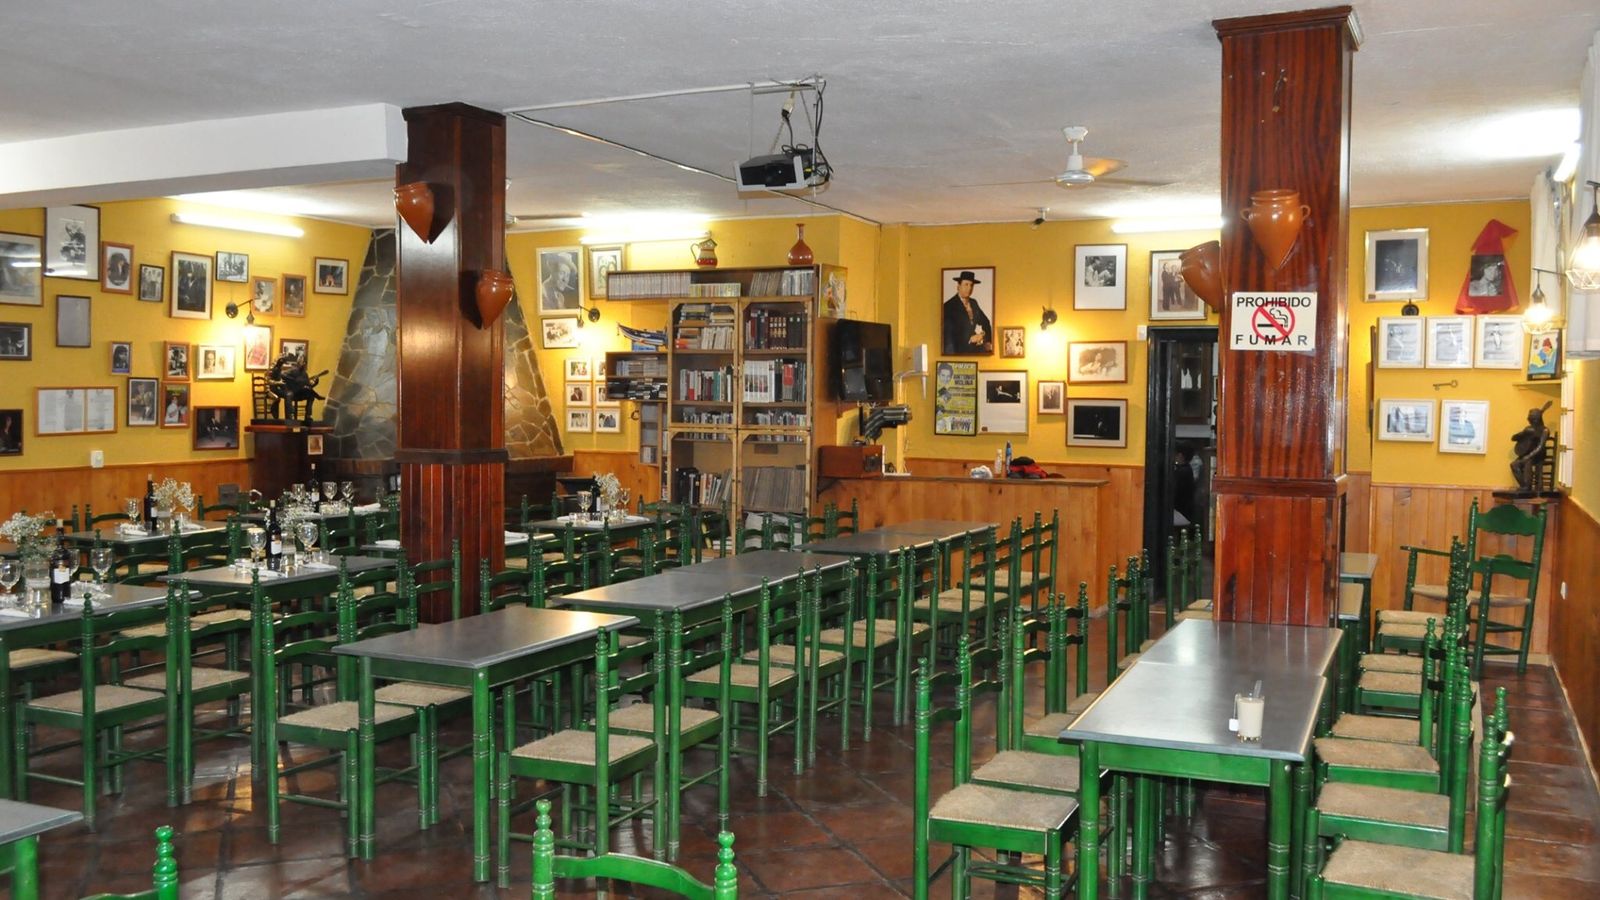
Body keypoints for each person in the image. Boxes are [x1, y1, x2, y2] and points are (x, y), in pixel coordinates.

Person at [941, 270, 993, 355]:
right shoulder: (948, 306)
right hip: (957, 351)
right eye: (966, 284)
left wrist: (985, 338)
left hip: (974, 349)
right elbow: (948, 335)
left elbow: (986, 322)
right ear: (958, 286)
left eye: (971, 285)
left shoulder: (973, 303)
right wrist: (970, 339)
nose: (969, 288)